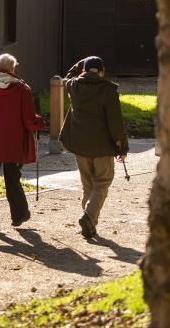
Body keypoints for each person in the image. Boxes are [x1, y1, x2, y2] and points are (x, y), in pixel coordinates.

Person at [59, 56, 129, 240]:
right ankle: (88, 217)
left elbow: (68, 75)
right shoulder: (108, 91)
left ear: (83, 70)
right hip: (102, 146)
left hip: (80, 144)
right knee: (102, 183)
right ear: (102, 71)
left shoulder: (73, 86)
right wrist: (122, 147)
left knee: (87, 185)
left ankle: (89, 226)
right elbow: (116, 123)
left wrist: (82, 62)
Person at [0, 53, 45, 233]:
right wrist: (40, 122)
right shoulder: (22, 89)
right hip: (13, 143)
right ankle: (19, 214)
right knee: (12, 178)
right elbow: (30, 120)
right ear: (13, 69)